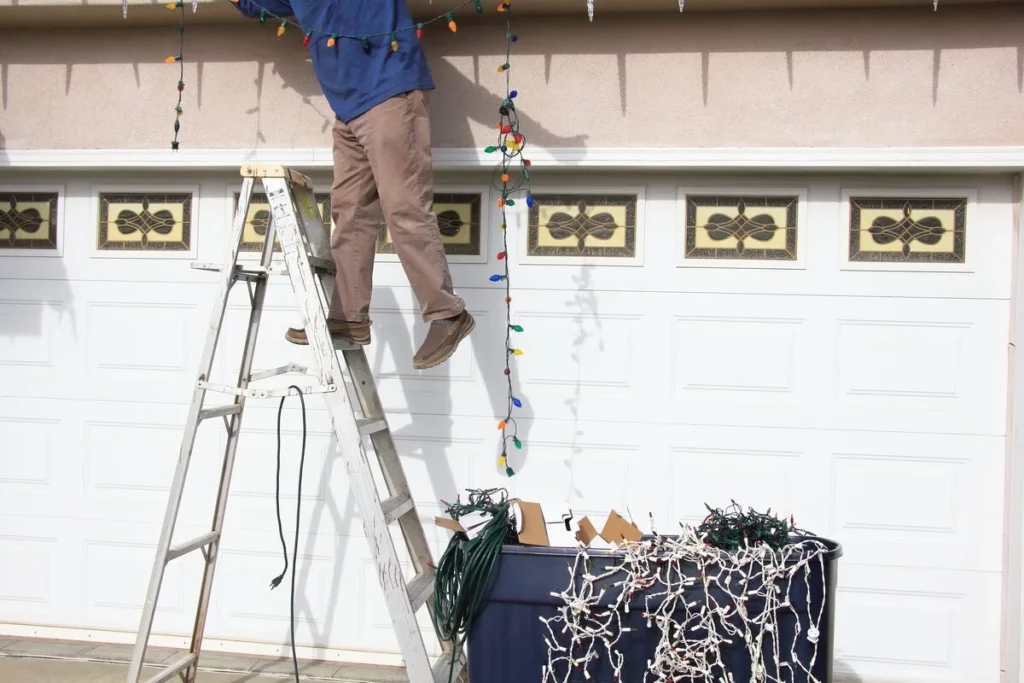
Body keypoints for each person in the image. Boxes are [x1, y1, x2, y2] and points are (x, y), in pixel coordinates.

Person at [231, 0, 474, 370]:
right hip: (347, 113)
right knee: (350, 214)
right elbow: (253, 5)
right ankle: (349, 317)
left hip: (390, 95)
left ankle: (447, 313)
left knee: (404, 206)